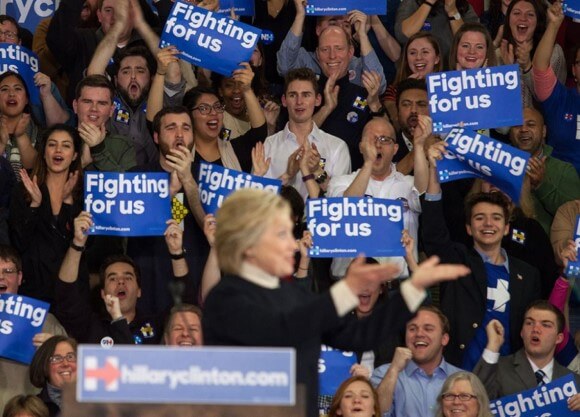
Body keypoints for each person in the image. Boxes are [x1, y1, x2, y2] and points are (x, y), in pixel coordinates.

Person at [202, 188, 470, 417]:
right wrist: (346, 290)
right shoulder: (226, 298)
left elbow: (359, 335)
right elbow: (279, 332)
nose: (293, 245)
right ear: (249, 244)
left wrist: (413, 288)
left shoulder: (296, 295)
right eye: (280, 235)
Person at [421, 141, 542, 369]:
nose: (488, 223)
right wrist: (434, 171)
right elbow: (434, 234)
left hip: (507, 380)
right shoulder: (456, 261)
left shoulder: (528, 275)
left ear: (506, 227)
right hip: (460, 375)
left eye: (496, 218)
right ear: (468, 228)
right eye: (479, 218)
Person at [56, 212, 191, 344]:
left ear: (139, 290)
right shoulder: (89, 325)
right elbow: (66, 293)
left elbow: (185, 304)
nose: (121, 281)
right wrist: (77, 243)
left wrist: (176, 252)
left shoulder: (157, 325)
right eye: (112, 279)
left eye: (128, 277)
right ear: (103, 293)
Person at [327, 116, 430, 279]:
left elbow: (426, 194)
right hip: (350, 285)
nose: (377, 144)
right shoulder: (340, 182)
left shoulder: (408, 185)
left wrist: (418, 145)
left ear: (395, 148)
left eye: (384, 139)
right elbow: (344, 211)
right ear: (361, 146)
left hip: (398, 286)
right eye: (371, 139)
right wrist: (368, 163)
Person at [9, 124, 83, 303]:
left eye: (66, 145)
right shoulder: (25, 190)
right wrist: (35, 205)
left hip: (71, 291)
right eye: (52, 144)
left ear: (74, 155)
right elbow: (18, 243)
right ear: (43, 152)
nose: (58, 150)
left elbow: (87, 245)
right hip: (33, 291)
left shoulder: (84, 193)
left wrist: (68, 204)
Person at [263, 68, 351, 200]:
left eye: (306, 95)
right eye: (293, 95)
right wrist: (287, 175)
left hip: (320, 220)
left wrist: (317, 172)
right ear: (284, 100)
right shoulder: (269, 145)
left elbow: (341, 202)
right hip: (278, 219)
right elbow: (258, 202)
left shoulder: (337, 147)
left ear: (318, 100)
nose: (299, 102)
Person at [473, 300, 580, 407]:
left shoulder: (574, 381)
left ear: (559, 338)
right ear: (522, 332)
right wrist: (493, 346)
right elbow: (474, 401)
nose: (535, 329)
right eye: (529, 323)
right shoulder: (497, 369)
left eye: (546, 325)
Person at [0, 245, 67, 414]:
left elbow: (71, 380)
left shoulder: (45, 321)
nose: (1, 277)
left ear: (19, 277)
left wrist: (53, 353)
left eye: (8, 271)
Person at [277, 0, 387, 93]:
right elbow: (284, 67)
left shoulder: (358, 66)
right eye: (333, 23)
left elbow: (379, 86)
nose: (340, 29)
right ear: (318, 29)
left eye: (346, 25)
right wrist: (300, 15)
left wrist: (362, 35)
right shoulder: (305, 60)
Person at [371, 306, 463, 417]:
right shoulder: (383, 374)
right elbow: (375, 413)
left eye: (428, 329)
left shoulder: (463, 379)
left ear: (444, 339)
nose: (419, 334)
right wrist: (394, 370)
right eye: (412, 329)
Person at [508, 107, 580, 235]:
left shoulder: (564, 170)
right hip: (507, 247)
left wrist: (542, 185)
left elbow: (576, 217)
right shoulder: (498, 166)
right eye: (517, 125)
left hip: (548, 250)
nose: (523, 129)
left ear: (544, 131)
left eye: (531, 124)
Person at [532, 1, 580, 175]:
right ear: (573, 69)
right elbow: (540, 68)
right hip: (559, 186)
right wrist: (553, 24)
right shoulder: (560, 98)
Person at [500, 0, 567, 108]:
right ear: (508, 20)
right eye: (517, 13)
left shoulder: (554, 53)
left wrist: (527, 67)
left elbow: (546, 102)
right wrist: (508, 70)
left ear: (538, 22)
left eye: (530, 14)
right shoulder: (499, 53)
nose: (523, 18)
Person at [72, 75, 136, 171]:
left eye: (102, 103)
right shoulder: (57, 140)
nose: (94, 108)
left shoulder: (123, 146)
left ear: (111, 110)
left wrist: (98, 150)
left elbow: (127, 184)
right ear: (75, 106)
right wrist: (82, 163)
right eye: (87, 101)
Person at [382, 32, 442, 127]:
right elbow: (396, 123)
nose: (418, 57)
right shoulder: (394, 90)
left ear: (436, 59)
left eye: (425, 52)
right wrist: (404, 89)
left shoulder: (450, 87)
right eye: (412, 53)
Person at [394, 0, 479, 60]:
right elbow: (403, 36)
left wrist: (452, 11)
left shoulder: (464, 6)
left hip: (452, 72)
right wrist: (428, 3)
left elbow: (471, 43)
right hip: (420, 72)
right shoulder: (412, 3)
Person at [29, 335, 77, 417]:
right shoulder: (31, 408)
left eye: (70, 357)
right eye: (57, 358)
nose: (65, 363)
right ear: (44, 366)